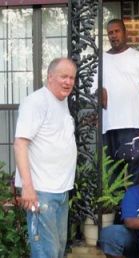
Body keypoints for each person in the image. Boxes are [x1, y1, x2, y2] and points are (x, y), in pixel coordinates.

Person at [14, 57, 77, 258]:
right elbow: (20, 144)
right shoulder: (36, 102)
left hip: (60, 190)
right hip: (41, 191)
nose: (68, 82)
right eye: (63, 77)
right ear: (50, 77)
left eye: (72, 78)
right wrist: (28, 187)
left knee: (57, 250)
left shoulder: (62, 101)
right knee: (45, 253)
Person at [100, 19, 139, 182]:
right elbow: (93, 90)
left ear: (125, 33)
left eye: (117, 31)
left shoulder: (138, 58)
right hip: (108, 127)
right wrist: (98, 91)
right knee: (111, 177)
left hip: (134, 127)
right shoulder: (100, 60)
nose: (113, 35)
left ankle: (134, 207)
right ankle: (114, 209)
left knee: (135, 175)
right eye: (110, 32)